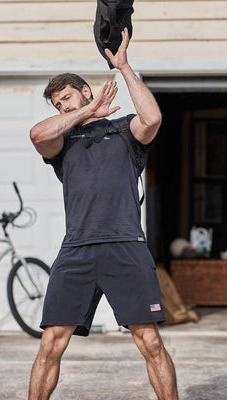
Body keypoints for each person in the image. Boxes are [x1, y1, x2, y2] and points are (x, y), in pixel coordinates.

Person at [28, 28, 178, 400]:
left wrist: (124, 67)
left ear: (86, 90)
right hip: (77, 249)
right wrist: (82, 114)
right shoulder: (62, 143)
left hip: (125, 246)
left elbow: (153, 118)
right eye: (58, 104)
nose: (63, 106)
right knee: (50, 343)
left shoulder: (125, 131)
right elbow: (36, 134)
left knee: (149, 340)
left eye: (67, 98)